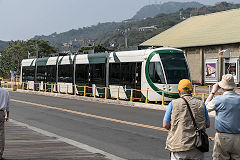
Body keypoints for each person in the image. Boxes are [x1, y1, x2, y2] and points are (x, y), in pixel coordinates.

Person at [163, 79, 210, 160]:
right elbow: (207, 124)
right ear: (191, 91)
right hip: (197, 146)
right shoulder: (201, 103)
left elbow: (165, 125)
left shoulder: (173, 104)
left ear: (179, 92)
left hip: (179, 145)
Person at [205, 74, 240, 160]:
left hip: (223, 136)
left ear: (222, 87)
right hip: (238, 137)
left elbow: (204, 108)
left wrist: (213, 92)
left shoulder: (218, 100)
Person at [0, 87, 10, 160]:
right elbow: (8, 106)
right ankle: (0, 154)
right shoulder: (5, 92)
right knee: (1, 134)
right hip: (1, 113)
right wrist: (7, 116)